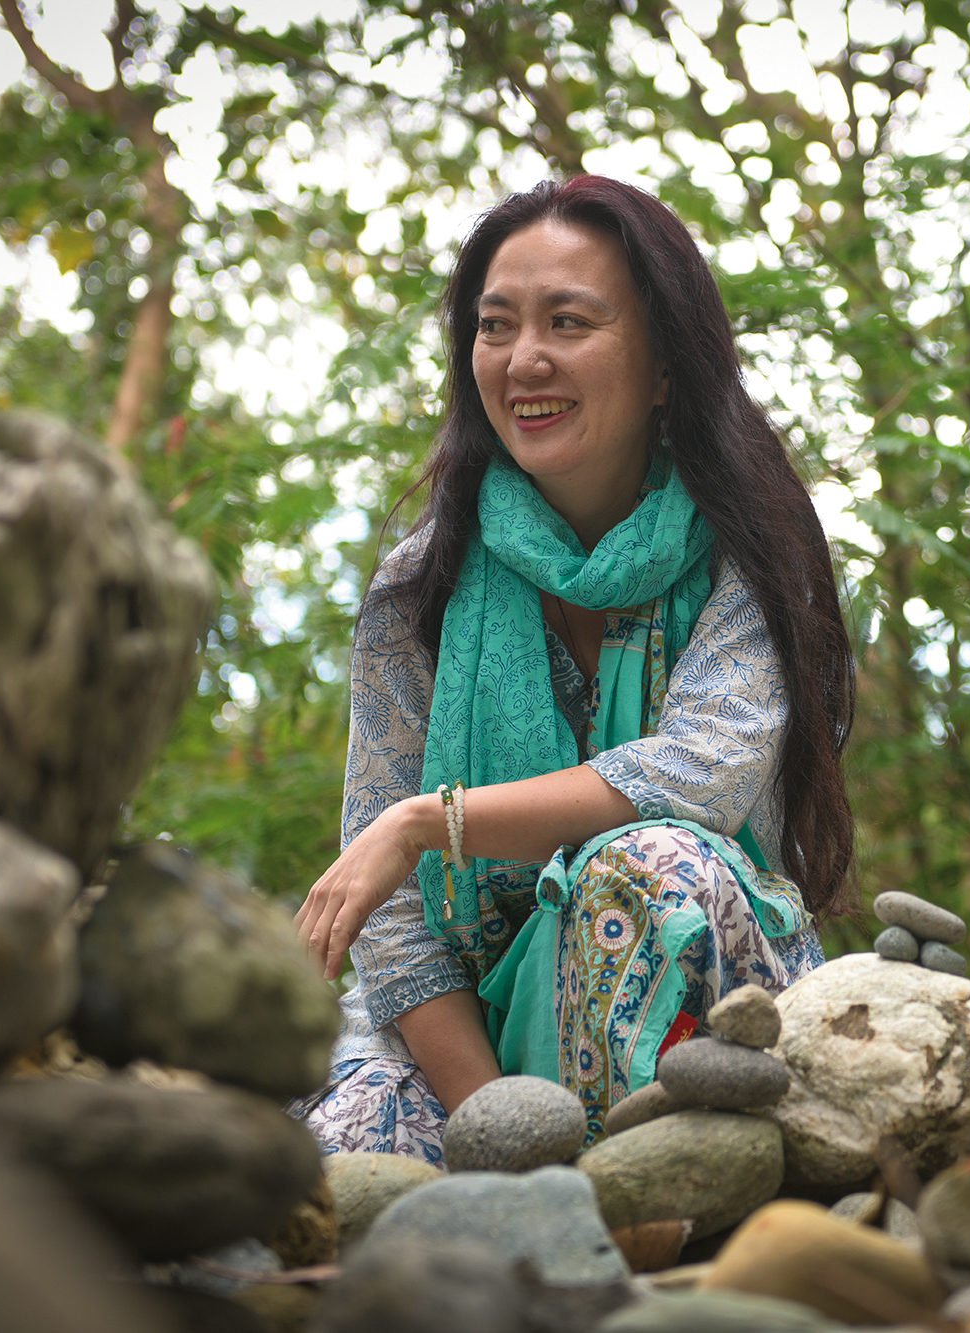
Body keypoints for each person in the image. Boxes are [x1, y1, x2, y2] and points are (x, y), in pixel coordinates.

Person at [289, 176, 858, 1159]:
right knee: (349, 1164)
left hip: (704, 987)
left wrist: (430, 821)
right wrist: (506, 1134)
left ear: (664, 366)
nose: (523, 359)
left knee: (655, 866)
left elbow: (698, 778)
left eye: (568, 321)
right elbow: (394, 921)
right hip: (469, 1028)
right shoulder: (420, 586)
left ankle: (672, 1182)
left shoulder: (750, 554)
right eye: (495, 325)